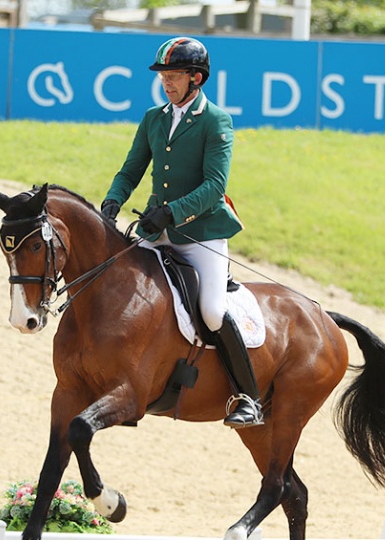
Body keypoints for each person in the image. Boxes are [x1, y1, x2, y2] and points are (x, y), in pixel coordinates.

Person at [100, 36, 263, 428]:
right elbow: (131, 169)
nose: (166, 83)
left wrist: (171, 213)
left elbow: (213, 186)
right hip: (156, 228)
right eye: (163, 77)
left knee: (210, 310)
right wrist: (112, 201)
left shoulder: (215, 121)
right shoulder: (153, 118)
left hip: (201, 233)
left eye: (174, 76)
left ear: (196, 78)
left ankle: (249, 397)